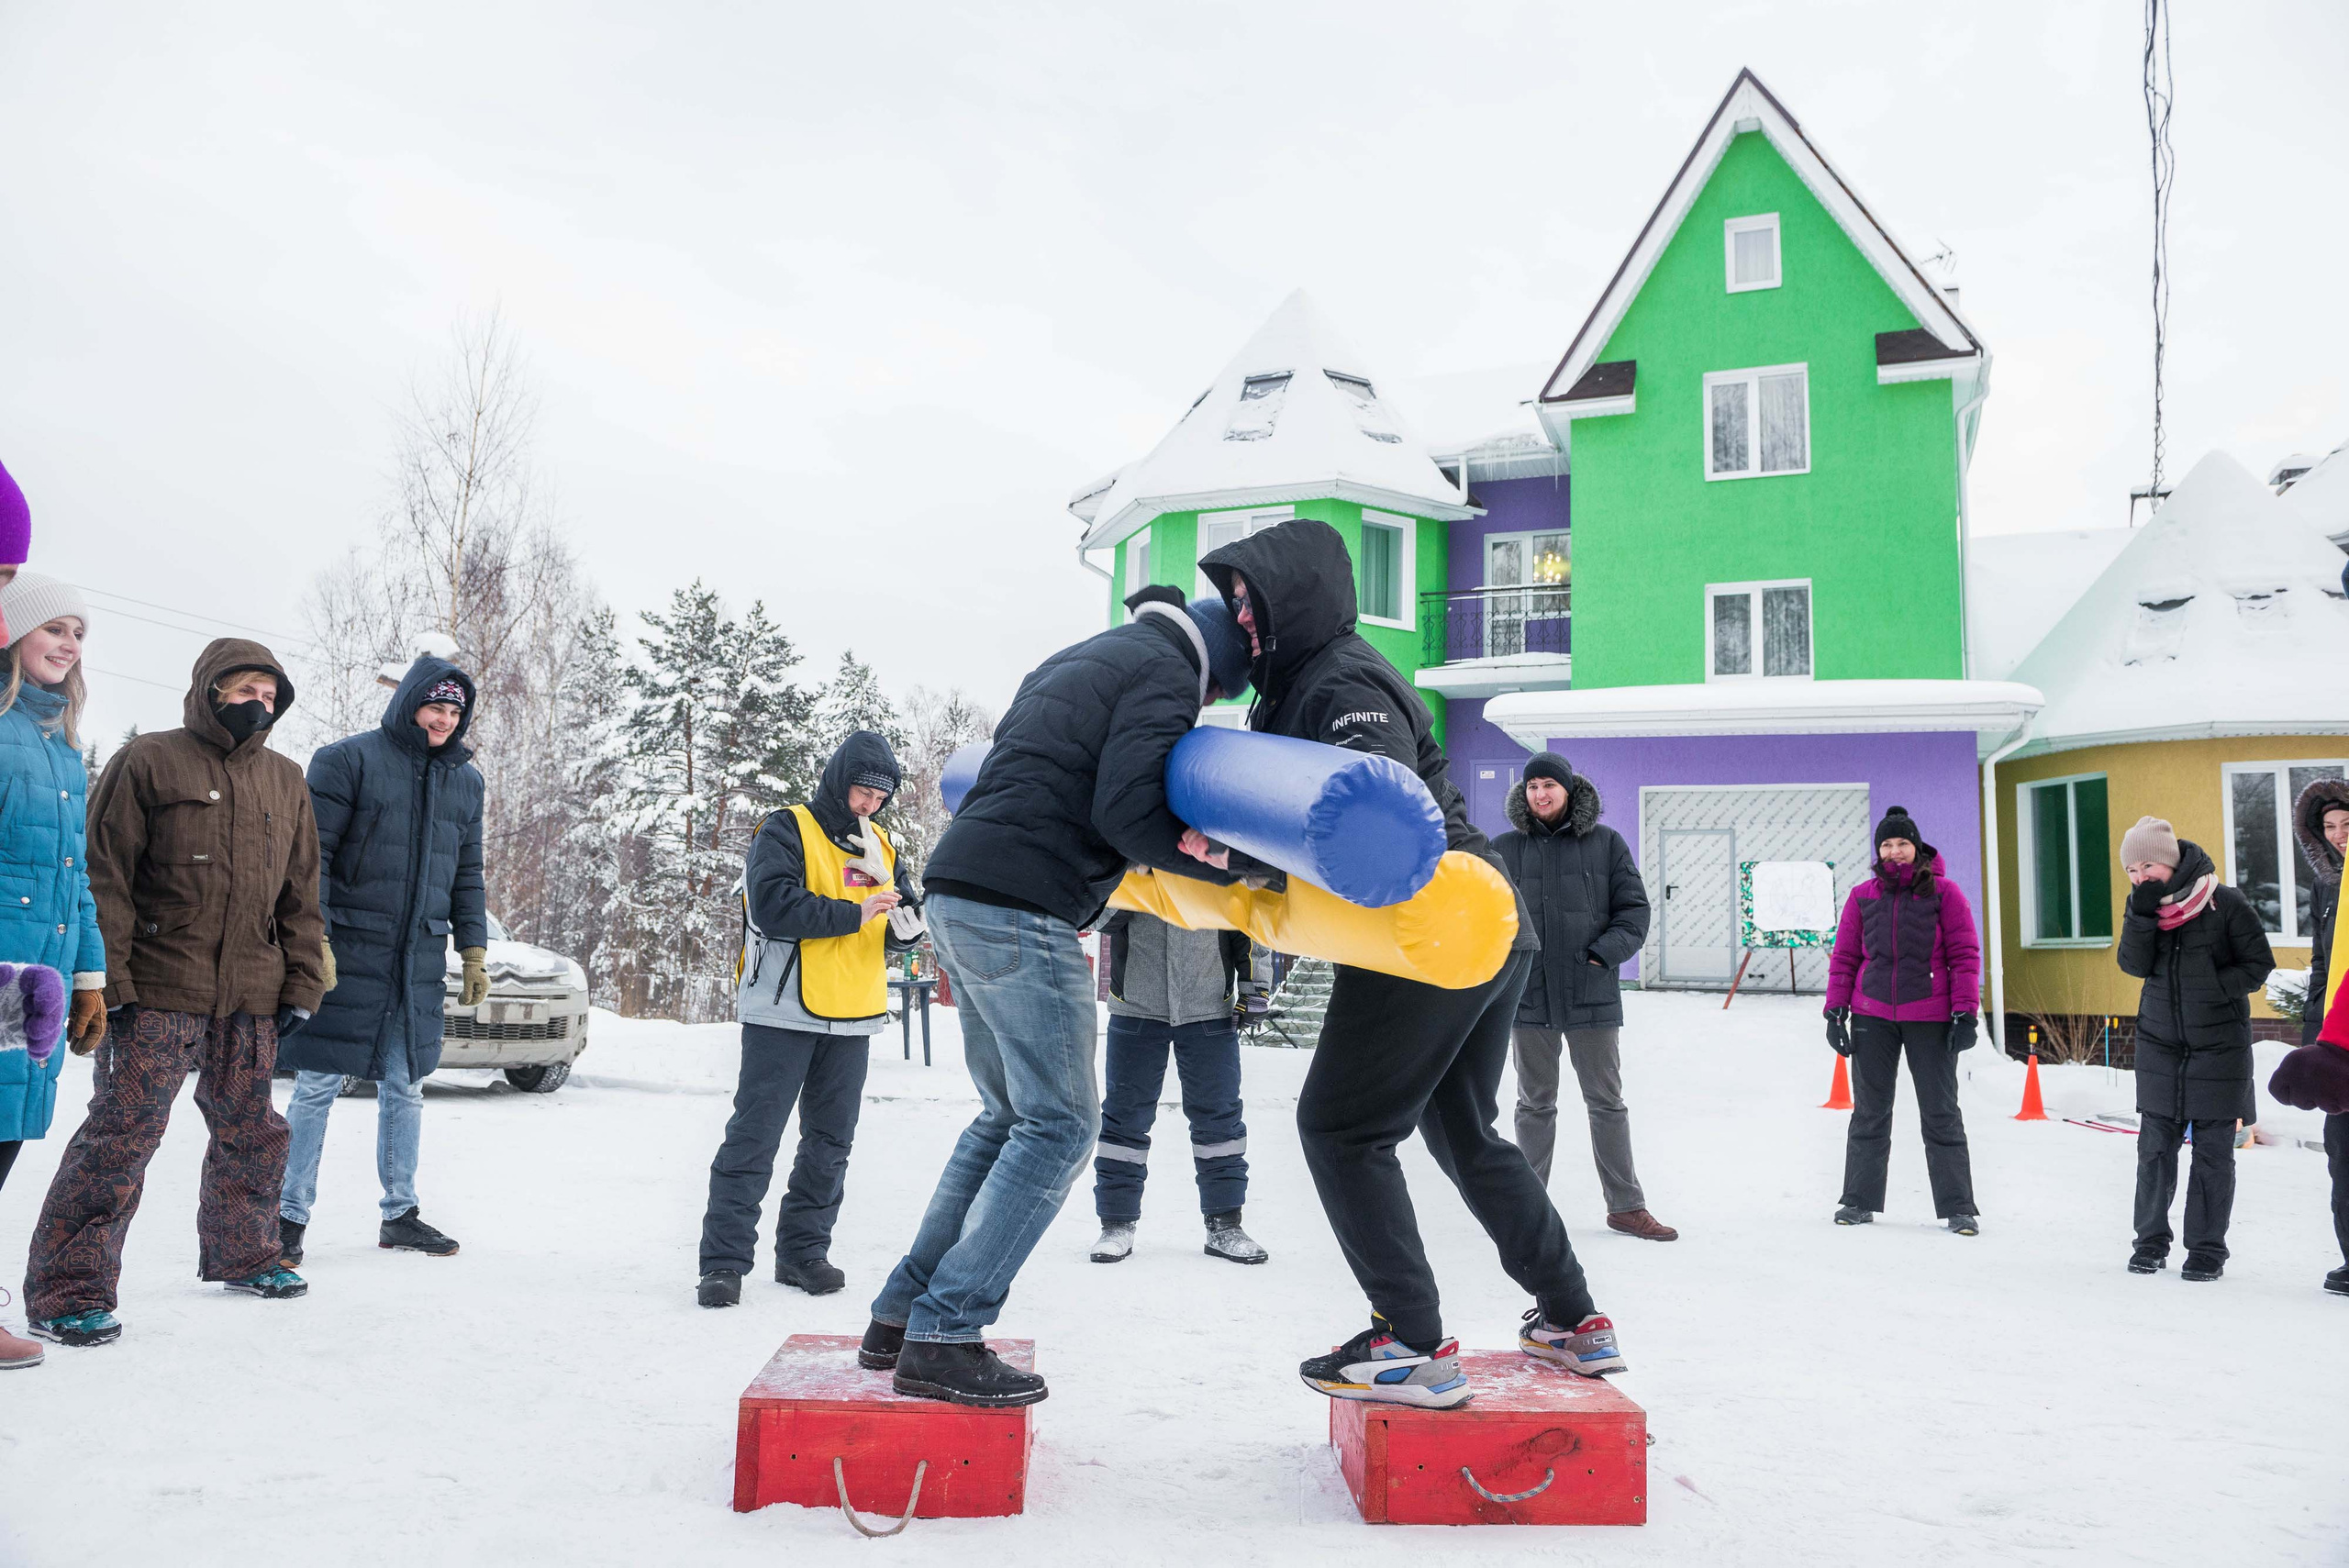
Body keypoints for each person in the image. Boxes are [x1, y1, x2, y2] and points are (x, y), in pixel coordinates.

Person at [1200, 518, 1624, 1410]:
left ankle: (1411, 1342)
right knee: (1461, 1127)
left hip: (1430, 920)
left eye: (1249, 601)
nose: (1238, 618)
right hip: (1482, 917)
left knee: (1341, 1126)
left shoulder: (1342, 678)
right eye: (1232, 603)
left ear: (1294, 597)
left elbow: (1377, 810)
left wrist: (1244, 864)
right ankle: (1574, 1317)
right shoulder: (1309, 677)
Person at [857, 584, 1252, 1407]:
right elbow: (1124, 806)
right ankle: (945, 1329)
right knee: (1064, 1124)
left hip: (960, 890)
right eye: (1217, 694)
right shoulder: (1168, 669)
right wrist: (1223, 860)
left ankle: (901, 1313)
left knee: (1008, 1118)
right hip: (1022, 907)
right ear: (1217, 662)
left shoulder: (1075, 658)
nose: (1206, 704)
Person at [25, 639, 326, 1346]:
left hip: (251, 992)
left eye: (270, 692)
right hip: (160, 987)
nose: (261, 702)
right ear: (211, 688)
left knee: (253, 1131)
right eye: (246, 688)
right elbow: (105, 876)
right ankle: (69, 1289)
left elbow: (303, 893)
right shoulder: (151, 761)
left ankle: (248, 1252)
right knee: (121, 1135)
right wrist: (111, 979)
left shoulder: (286, 780)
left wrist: (304, 978)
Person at [275, 655, 486, 1268]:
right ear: (409, 704)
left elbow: (466, 875)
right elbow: (312, 860)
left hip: (416, 957)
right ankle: (287, 1217)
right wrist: (313, 941)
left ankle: (400, 1213)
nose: (444, 718)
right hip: (347, 951)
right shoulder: (348, 760)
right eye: (434, 706)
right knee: (316, 1084)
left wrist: (472, 947)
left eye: (454, 710)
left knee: (406, 1084)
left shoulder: (466, 782)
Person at [697, 730, 921, 1308]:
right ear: (838, 779)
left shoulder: (884, 845)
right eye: (861, 791)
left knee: (829, 1142)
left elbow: (886, 925)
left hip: (854, 1012)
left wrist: (907, 930)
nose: (869, 804)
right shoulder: (786, 827)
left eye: (880, 796)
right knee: (755, 1137)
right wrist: (856, 912)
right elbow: (771, 906)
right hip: (782, 1008)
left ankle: (804, 1253)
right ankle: (723, 1263)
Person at [1493, 751, 1671, 1240]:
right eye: (1532, 787)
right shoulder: (1504, 848)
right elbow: (1482, 916)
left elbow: (1634, 911)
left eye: (1549, 785)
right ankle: (1529, 1210)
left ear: (1568, 790)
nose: (1540, 794)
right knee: (1533, 1105)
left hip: (1591, 994)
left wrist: (1600, 956)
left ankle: (1626, 1206)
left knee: (1606, 1102)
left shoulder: (1605, 844)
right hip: (1528, 996)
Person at [0, 574, 108, 1370]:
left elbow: (78, 877)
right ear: (15, 634)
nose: (68, 643)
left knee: (4, 1134)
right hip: (4, 971)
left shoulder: (65, 744)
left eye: (78, 632)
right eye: (55, 628)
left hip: (36, 978)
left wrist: (89, 976)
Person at [2117, 816, 2274, 1282]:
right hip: (2160, 1045)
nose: (2141, 877)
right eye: (2131, 870)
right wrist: (2141, 916)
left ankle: (2206, 1250)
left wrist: (2215, 987)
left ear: (2171, 861)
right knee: (2154, 1151)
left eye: (2148, 865)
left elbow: (2258, 963)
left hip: (2218, 1047)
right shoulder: (2143, 908)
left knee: (2213, 1155)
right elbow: (2132, 964)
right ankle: (2149, 1242)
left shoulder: (2223, 902)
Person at [1821, 806, 1985, 1235]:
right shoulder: (1863, 896)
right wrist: (1836, 1009)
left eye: (1902, 844)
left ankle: (1959, 1207)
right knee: (1870, 1112)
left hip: (1929, 1016)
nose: (1894, 852)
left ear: (1917, 848)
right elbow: (1846, 956)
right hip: (1871, 1015)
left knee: (1941, 1112)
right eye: (1887, 845)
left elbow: (1965, 955)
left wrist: (1965, 1013)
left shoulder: (1945, 894)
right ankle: (1857, 1201)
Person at [1088, 909, 1267, 1265]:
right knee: (1124, 1121)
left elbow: (1248, 923)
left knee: (1220, 1122)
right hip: (1135, 1009)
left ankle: (1224, 1226)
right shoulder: (1127, 859)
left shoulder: (1218, 858)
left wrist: (1255, 987)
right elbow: (1097, 918)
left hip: (1210, 1011)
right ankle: (1117, 1224)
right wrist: (1132, 873)